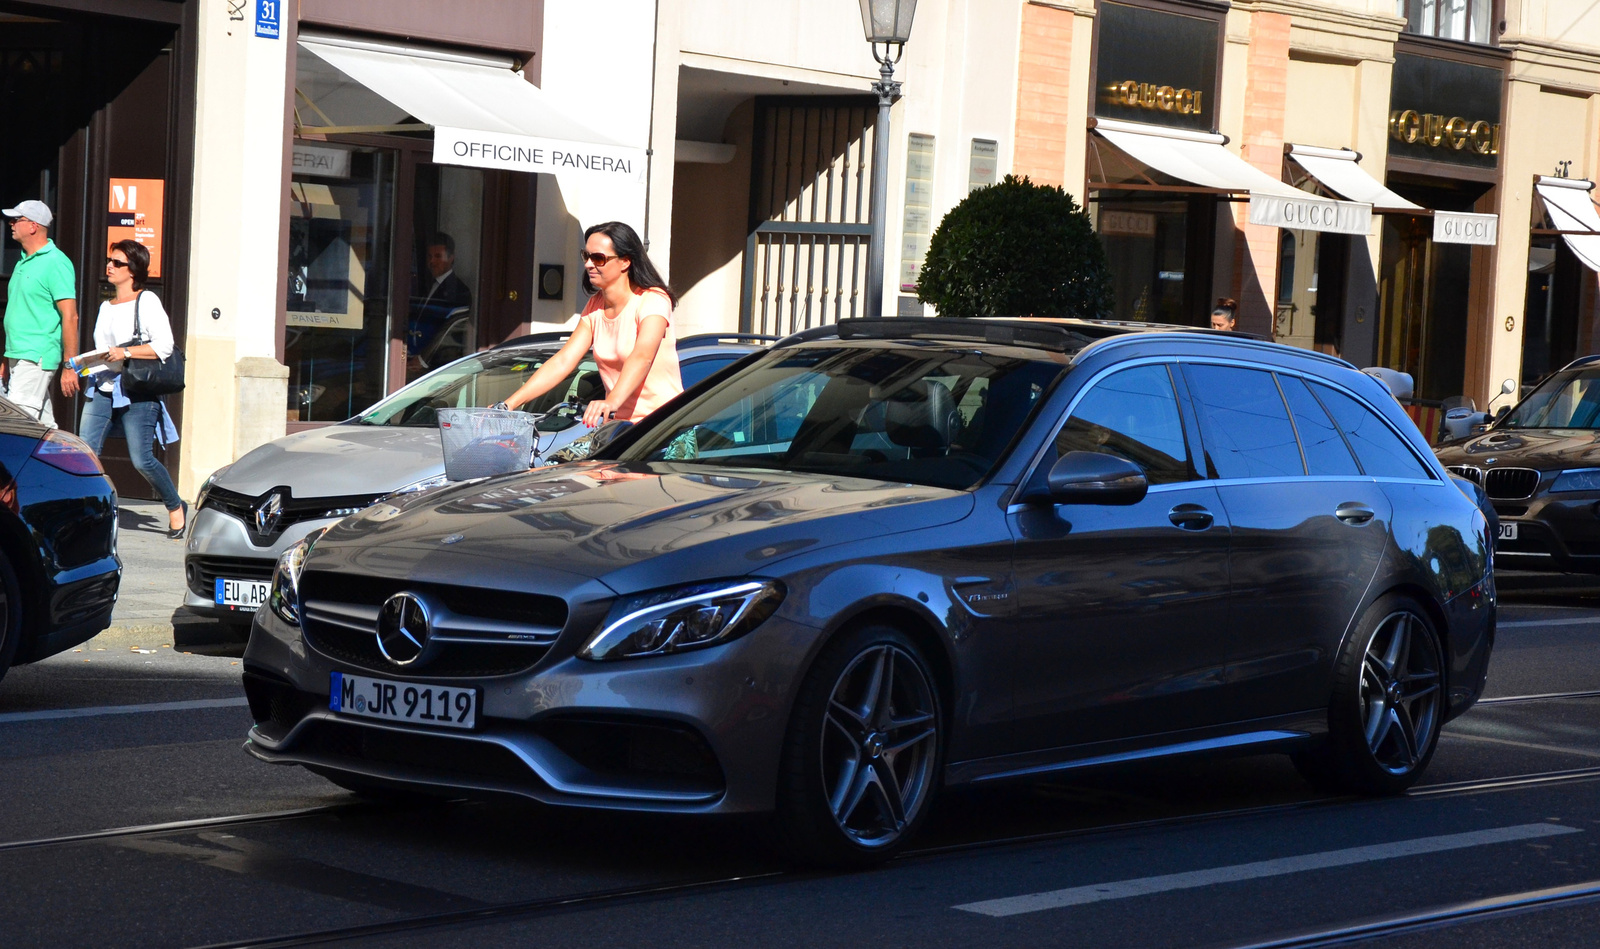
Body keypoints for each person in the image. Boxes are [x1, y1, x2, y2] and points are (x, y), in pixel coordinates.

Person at [501, 222, 682, 428]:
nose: (588, 264)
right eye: (586, 256)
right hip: (619, 427)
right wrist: (509, 404)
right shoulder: (595, 306)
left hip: (662, 427)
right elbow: (563, 361)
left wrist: (611, 401)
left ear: (625, 262)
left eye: (598, 258)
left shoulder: (653, 299)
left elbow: (642, 357)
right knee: (560, 460)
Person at [78, 240, 186, 538]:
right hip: (102, 386)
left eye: (117, 262)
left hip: (136, 390)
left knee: (141, 459)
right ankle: (87, 516)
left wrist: (125, 353)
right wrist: (81, 365)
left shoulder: (147, 300)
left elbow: (164, 346)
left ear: (134, 270)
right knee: (85, 454)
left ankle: (175, 506)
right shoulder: (105, 306)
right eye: (108, 260)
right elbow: (104, 350)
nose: (109, 266)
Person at [2, 200, 79, 424]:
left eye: (17, 219)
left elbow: (70, 316)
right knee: (43, 432)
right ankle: (59, 459)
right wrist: (7, 359)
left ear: (33, 226)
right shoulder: (22, 261)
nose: (11, 224)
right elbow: (20, 312)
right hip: (19, 354)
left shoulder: (56, 263)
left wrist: (69, 366)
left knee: (15, 427)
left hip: (36, 357)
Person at [406, 232, 472, 376]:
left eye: (438, 256)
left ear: (451, 258)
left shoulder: (459, 291)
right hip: (413, 360)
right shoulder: (426, 285)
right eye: (429, 256)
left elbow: (448, 331)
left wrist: (423, 359)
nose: (432, 262)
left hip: (437, 367)